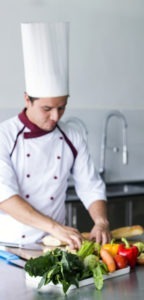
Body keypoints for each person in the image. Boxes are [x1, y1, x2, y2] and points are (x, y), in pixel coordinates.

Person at [0, 22, 110, 249]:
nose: (56, 117)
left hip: (54, 245)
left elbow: (90, 185)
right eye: (47, 109)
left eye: (62, 107)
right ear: (26, 100)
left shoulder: (72, 136)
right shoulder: (5, 135)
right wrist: (54, 227)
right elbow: (5, 197)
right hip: (8, 245)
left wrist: (101, 220)